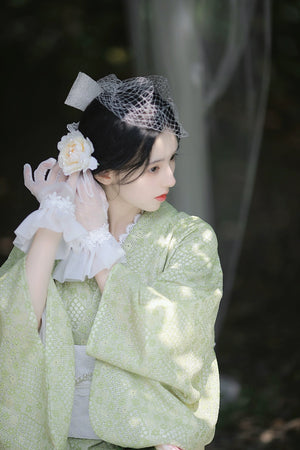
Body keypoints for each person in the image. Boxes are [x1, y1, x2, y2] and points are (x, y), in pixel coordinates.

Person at [0, 72, 223, 450]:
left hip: (147, 438)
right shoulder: (53, 232)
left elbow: (177, 341)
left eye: (172, 160)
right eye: (153, 167)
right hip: (52, 435)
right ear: (104, 172)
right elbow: (15, 325)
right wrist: (53, 219)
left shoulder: (188, 237)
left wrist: (97, 242)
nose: (170, 177)